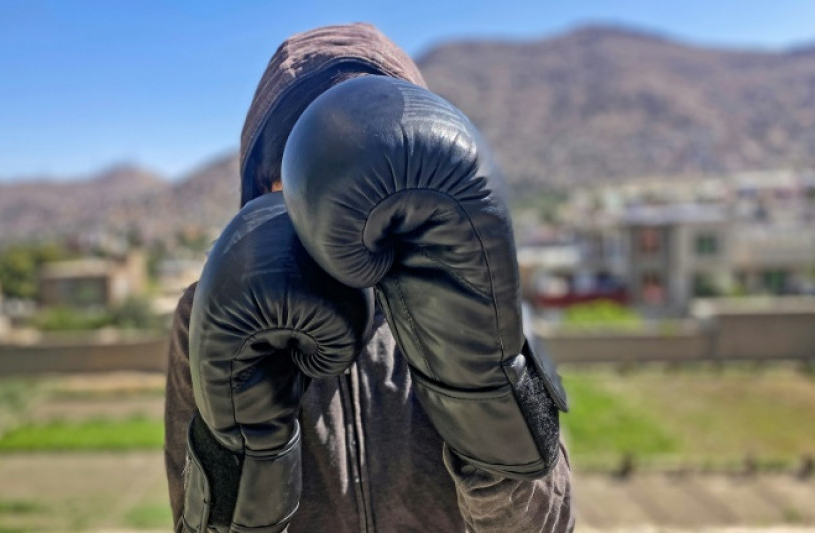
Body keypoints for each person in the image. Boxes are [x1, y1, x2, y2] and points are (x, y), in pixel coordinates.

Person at [164, 23, 575, 532]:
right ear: (268, 190)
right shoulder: (207, 312)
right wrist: (247, 471)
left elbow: (547, 526)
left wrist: (487, 417)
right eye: (306, 174)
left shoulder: (479, 284)